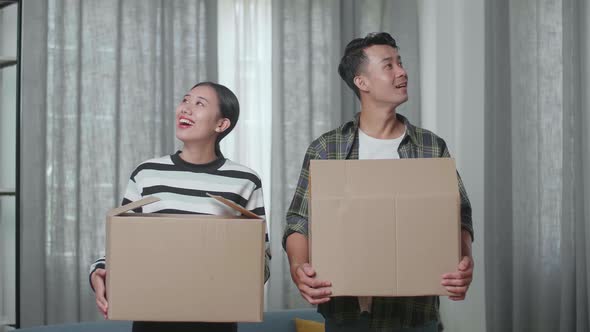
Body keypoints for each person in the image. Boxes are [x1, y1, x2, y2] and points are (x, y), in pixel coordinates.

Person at [283, 32, 474, 332]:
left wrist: (464, 258)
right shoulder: (326, 149)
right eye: (389, 65)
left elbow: (458, 212)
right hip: (348, 316)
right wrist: (298, 268)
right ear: (362, 82)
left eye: (400, 62)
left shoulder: (429, 147)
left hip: (415, 317)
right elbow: (299, 221)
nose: (402, 71)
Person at [89, 82, 271, 332]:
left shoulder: (244, 180)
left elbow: (262, 258)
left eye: (199, 104)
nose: (186, 109)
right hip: (152, 319)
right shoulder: (148, 173)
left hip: (215, 320)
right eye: (185, 100)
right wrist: (99, 271)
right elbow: (121, 242)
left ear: (221, 124)